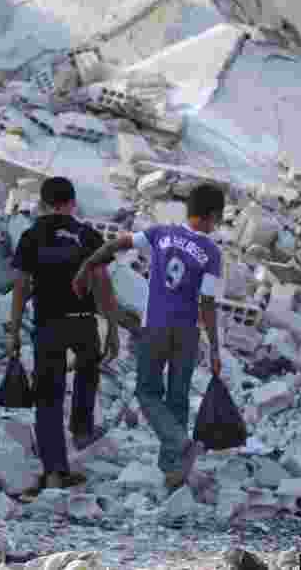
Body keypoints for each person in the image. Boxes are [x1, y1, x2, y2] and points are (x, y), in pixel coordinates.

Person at [72, 182, 225, 492]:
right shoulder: (211, 252)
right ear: (212, 216)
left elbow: (116, 245)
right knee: (178, 398)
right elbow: (207, 304)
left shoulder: (159, 233)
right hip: (187, 333)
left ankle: (179, 448)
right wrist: (215, 348)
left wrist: (87, 266)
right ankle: (173, 468)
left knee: (147, 392)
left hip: (155, 326)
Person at [6, 177, 120, 490]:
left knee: (48, 396)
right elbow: (103, 285)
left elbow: (20, 287)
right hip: (83, 322)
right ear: (72, 203)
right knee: (88, 372)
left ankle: (55, 470)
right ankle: (81, 428)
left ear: (42, 204)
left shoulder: (32, 236)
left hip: (48, 325)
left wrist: (14, 330)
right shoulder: (88, 235)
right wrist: (112, 327)